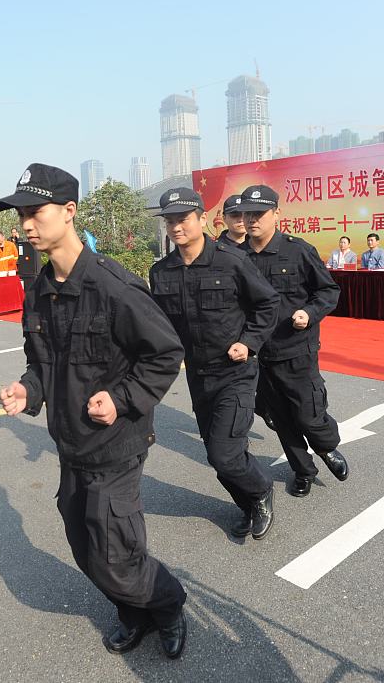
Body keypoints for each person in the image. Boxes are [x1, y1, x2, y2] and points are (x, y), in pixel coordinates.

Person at [0, 163, 188, 660]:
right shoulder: (38, 289)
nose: (27, 226)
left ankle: (166, 606)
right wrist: (27, 390)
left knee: (114, 546)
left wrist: (121, 399)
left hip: (115, 444)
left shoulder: (113, 287)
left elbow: (164, 352)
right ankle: (132, 613)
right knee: (85, 543)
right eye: (21, 217)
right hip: (70, 443)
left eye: (35, 213)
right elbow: (42, 361)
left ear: (69, 211)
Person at [148, 187, 279, 539]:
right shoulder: (161, 272)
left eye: (183, 219)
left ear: (202, 219)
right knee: (216, 452)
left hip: (235, 372)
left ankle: (261, 490)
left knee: (225, 453)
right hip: (198, 375)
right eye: (170, 221)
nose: (176, 227)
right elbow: (157, 326)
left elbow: (268, 304)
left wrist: (248, 343)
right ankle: (248, 504)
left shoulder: (230, 260)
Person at [231, 185, 348, 498]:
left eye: (259, 213)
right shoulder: (235, 257)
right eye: (247, 213)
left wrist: (309, 313)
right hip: (259, 355)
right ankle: (303, 470)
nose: (251, 219)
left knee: (308, 412)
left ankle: (326, 447)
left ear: (276, 215)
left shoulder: (298, 250)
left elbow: (328, 291)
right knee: (281, 419)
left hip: (296, 349)